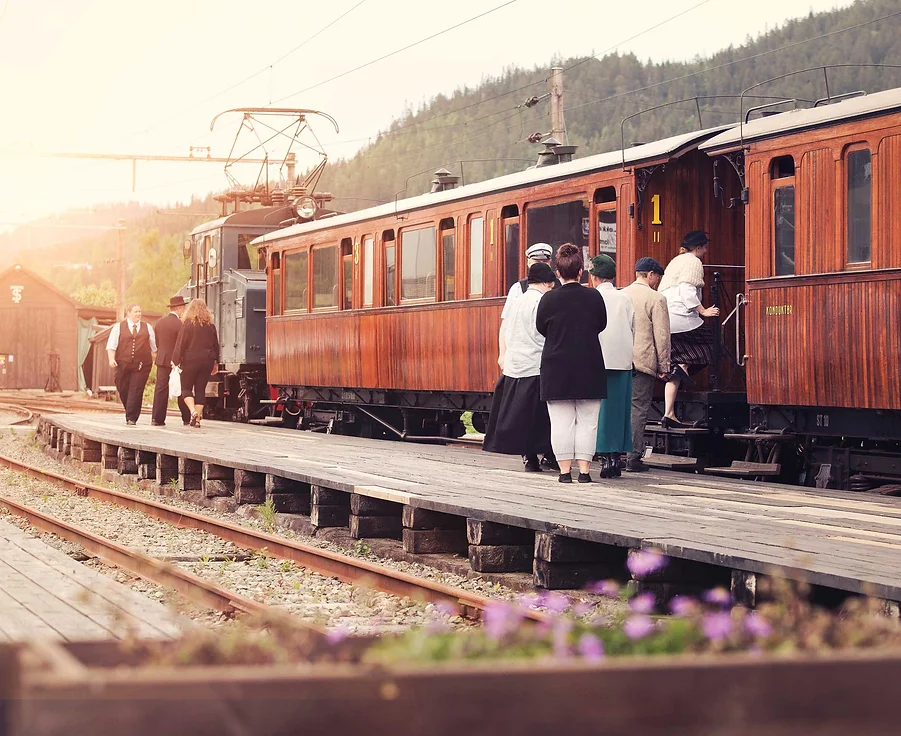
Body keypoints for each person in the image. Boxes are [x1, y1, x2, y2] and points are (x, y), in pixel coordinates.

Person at [536, 243, 607, 484]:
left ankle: (564, 472)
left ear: (557, 273)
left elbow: (541, 328)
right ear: (580, 272)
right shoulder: (594, 296)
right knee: (588, 422)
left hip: (556, 366)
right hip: (589, 365)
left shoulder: (548, 299)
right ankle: (585, 471)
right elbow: (601, 325)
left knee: (561, 422)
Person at [484, 262, 557, 470]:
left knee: (522, 416)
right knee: (543, 418)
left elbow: (505, 329)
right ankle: (549, 455)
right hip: (537, 365)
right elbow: (546, 334)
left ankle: (529, 457)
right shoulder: (544, 302)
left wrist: (503, 356)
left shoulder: (515, 302)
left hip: (515, 367)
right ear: (545, 282)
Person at [658, 230, 720, 428]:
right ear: (699, 247)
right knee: (711, 343)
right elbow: (686, 290)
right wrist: (703, 311)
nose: (707, 250)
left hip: (668, 320)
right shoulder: (693, 262)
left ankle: (669, 413)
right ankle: (683, 368)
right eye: (705, 246)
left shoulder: (676, 260)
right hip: (683, 319)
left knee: (679, 364)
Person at [622, 257, 670, 472]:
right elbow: (661, 336)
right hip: (642, 362)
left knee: (618, 408)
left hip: (619, 361)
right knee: (638, 409)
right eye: (657, 277)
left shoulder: (621, 295)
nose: (657, 281)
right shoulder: (656, 298)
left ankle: (612, 454)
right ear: (650, 274)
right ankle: (633, 458)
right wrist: (664, 366)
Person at [588, 255, 634, 479]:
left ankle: (604, 457)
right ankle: (616, 456)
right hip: (622, 359)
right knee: (619, 410)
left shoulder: (591, 296)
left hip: (597, 358)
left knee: (599, 410)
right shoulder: (624, 298)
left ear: (594, 277)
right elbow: (632, 326)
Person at [106, 303, 157, 426]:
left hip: (141, 365)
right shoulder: (118, 327)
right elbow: (111, 345)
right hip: (122, 363)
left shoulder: (147, 327)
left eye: (139, 311)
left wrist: (155, 360)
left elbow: (154, 347)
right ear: (128, 313)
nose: (138, 314)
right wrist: (111, 359)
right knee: (122, 387)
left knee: (136, 389)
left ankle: (131, 418)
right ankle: (130, 409)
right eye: (136, 311)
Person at [172, 298, 220, 428]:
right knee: (200, 390)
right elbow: (216, 345)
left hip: (190, 361)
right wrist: (216, 363)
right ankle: (197, 420)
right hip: (207, 361)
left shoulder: (187, 324)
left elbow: (180, 344)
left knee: (186, 389)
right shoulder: (211, 326)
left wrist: (175, 360)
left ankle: (193, 412)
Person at [151, 295, 191, 427]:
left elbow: (157, 342)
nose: (183, 311)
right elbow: (183, 344)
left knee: (160, 389)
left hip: (162, 360)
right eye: (183, 308)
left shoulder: (160, 322)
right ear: (179, 308)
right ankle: (186, 418)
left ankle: (157, 419)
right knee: (181, 388)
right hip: (177, 361)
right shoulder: (181, 324)